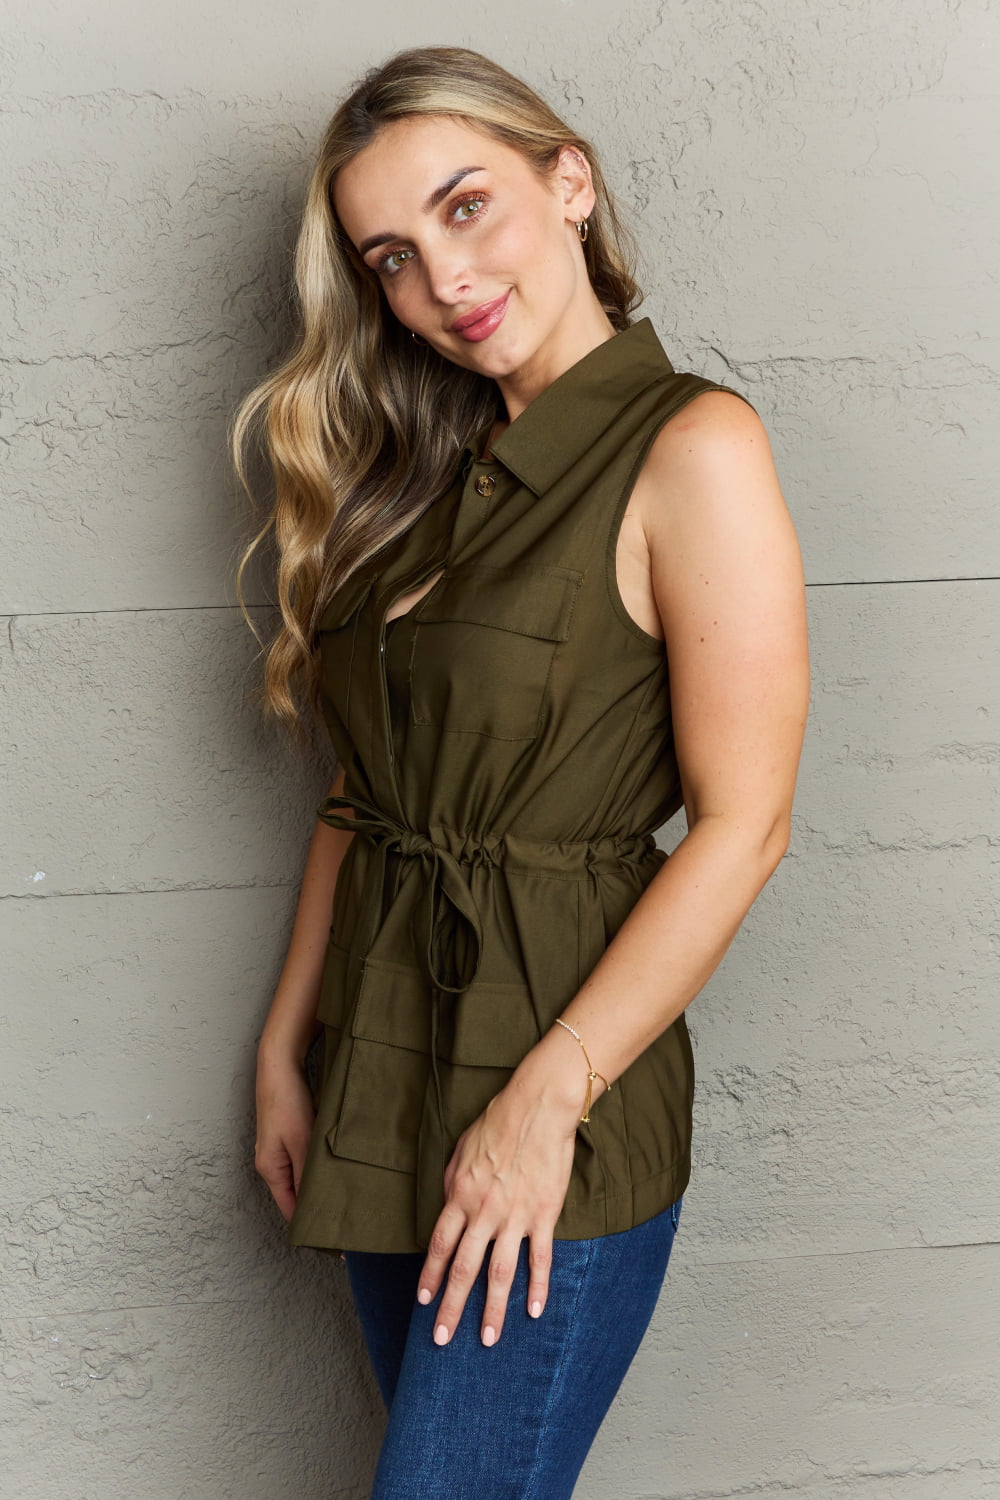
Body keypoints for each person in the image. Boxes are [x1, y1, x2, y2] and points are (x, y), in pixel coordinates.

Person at [232, 44, 809, 1500]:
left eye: (468, 207)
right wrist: (284, 1045)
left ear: (570, 182)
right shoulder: (423, 478)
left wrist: (545, 1099)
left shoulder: (693, 447)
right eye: (393, 258)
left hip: (555, 1076)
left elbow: (743, 827)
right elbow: (365, 797)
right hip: (376, 1069)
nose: (442, 279)